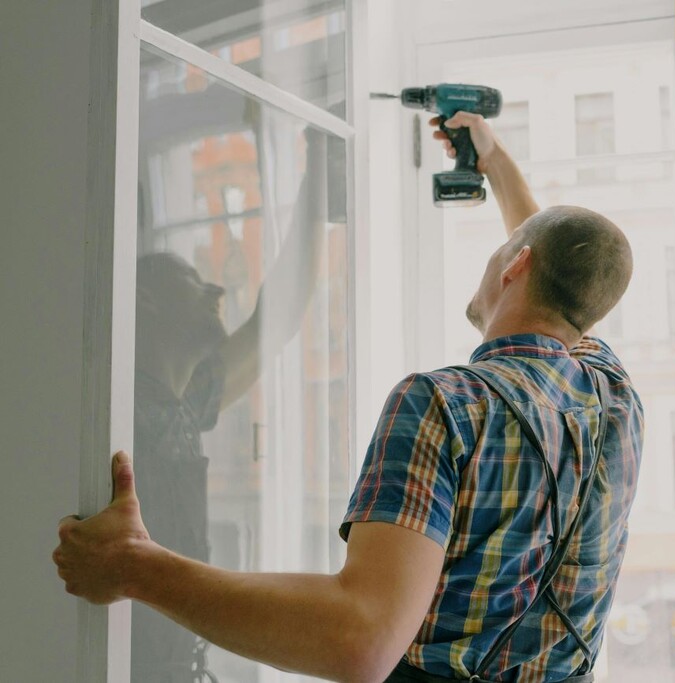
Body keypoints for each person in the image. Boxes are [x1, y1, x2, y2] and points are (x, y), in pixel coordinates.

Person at [53, 112, 643, 683]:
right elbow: (568, 280)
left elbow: (361, 640)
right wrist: (493, 162)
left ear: (516, 266)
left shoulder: (446, 405)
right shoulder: (615, 399)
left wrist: (132, 565)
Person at [130, 127, 328, 682]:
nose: (217, 290)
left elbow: (278, 316)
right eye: (192, 281)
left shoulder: (183, 401)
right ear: (145, 299)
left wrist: (317, 177)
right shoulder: (117, 410)